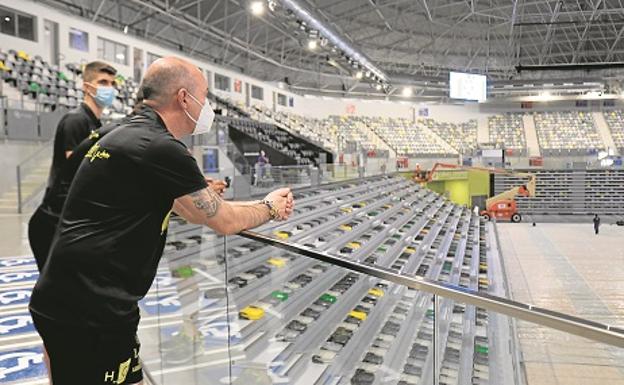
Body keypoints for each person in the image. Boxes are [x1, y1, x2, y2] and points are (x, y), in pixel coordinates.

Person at [29, 56, 294, 385]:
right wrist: (269, 207)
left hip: (67, 297)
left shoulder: (119, 132)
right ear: (184, 98)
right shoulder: (161, 146)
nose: (207, 107)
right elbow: (222, 220)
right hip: (94, 311)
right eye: (205, 97)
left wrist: (245, 201)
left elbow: (192, 208)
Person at [29, 61, 117, 272]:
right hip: (54, 221)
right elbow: (81, 170)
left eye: (113, 84)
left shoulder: (97, 125)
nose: (110, 88)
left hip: (72, 221)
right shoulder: (76, 120)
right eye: (103, 82)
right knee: (56, 296)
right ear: (87, 86)